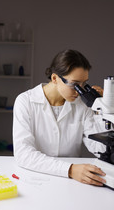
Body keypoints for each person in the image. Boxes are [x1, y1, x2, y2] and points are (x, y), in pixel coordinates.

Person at [13, 49, 106, 187]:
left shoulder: (82, 105)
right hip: (35, 177)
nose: (79, 91)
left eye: (83, 84)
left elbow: (101, 149)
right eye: (75, 84)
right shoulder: (25, 101)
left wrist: (102, 108)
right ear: (55, 78)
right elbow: (23, 154)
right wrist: (69, 169)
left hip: (71, 182)